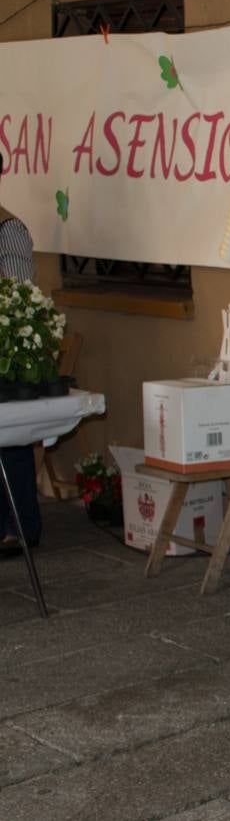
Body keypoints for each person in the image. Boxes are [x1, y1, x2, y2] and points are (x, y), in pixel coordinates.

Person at [0, 152, 41, 558]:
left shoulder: (9, 231)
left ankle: (19, 525)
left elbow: (19, 298)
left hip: (7, 353)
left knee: (10, 431)